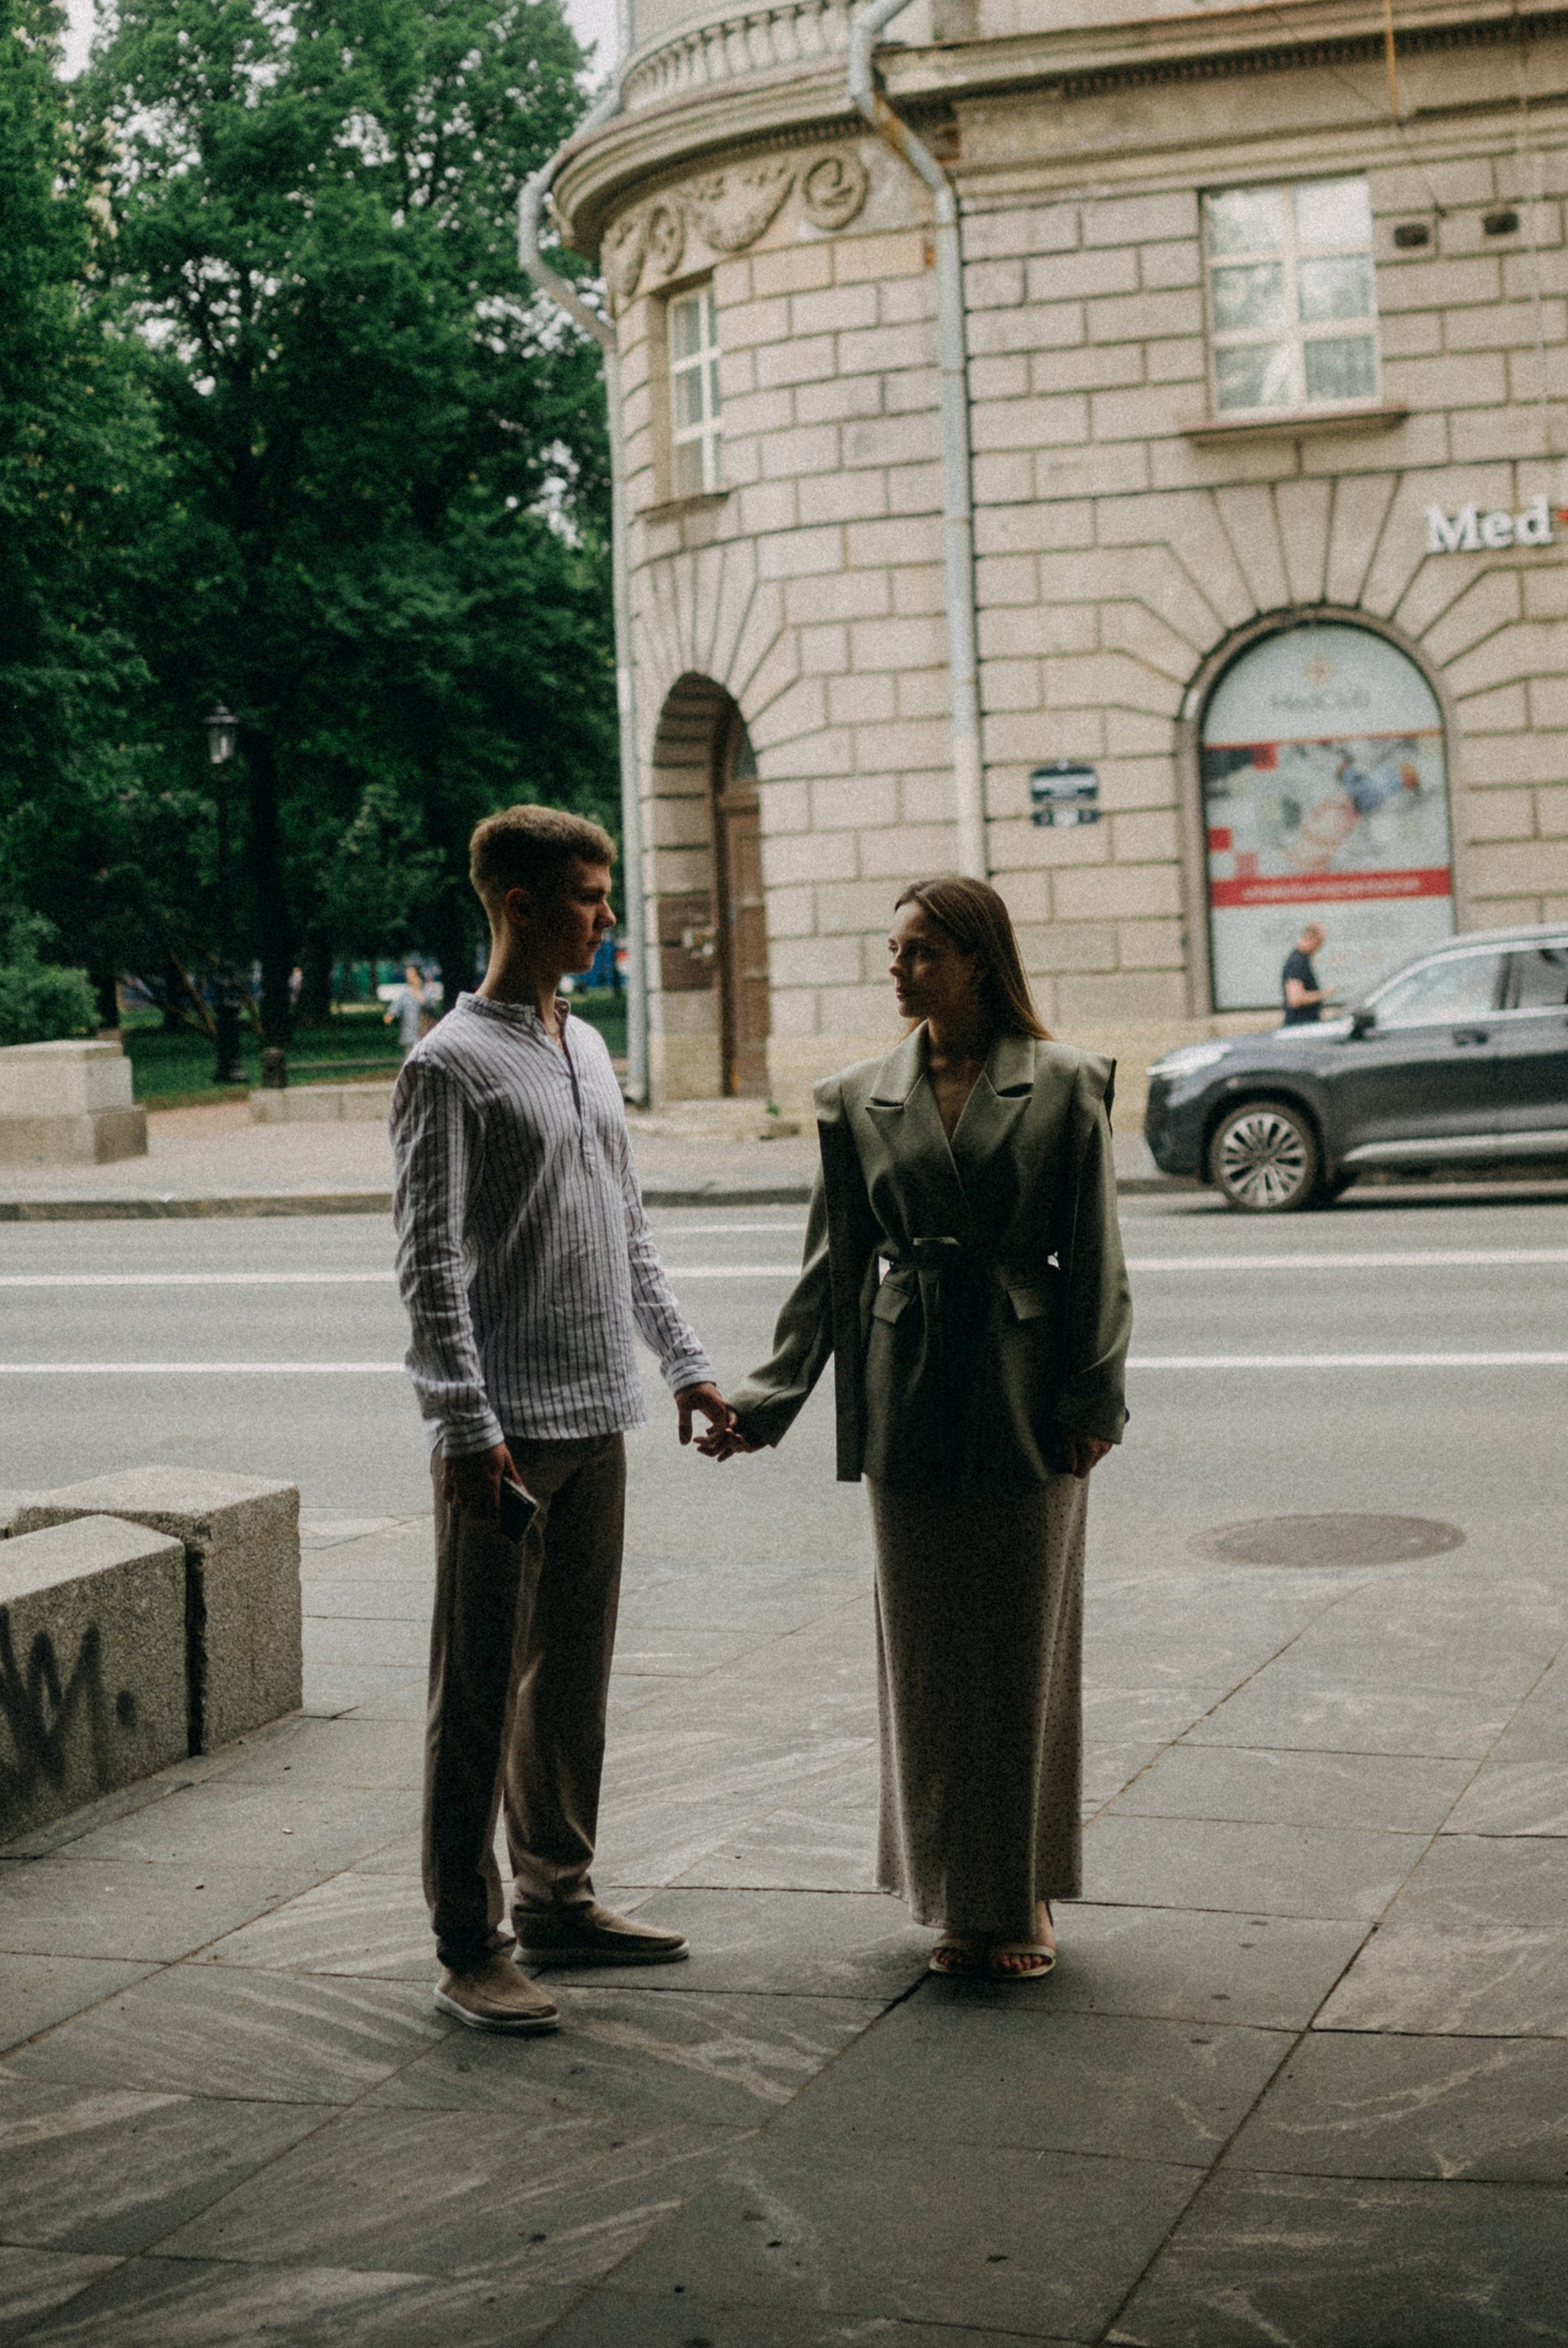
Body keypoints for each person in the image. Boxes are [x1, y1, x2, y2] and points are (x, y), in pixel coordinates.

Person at [702, 875, 1130, 1983]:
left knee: (1024, 1659)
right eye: (893, 951)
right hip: (907, 1390)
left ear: (979, 960)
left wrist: (1094, 1400)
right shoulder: (855, 1099)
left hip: (1028, 1389)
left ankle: (1022, 1892)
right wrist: (765, 1405)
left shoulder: (1069, 1083)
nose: (896, 970)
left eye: (920, 951)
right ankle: (952, 1896)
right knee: (933, 1663)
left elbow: (1097, 1259)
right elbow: (827, 1274)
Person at [392, 804, 737, 2034]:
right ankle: (465, 1940)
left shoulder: (586, 1047)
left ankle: (558, 1897)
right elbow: (429, 1270)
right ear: (523, 906)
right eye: (590, 897)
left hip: (601, 1411)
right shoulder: (449, 1063)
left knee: (569, 1684)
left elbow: (627, 1231)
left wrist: (688, 1367)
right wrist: (466, 1426)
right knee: (476, 1696)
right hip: (501, 1437)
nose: (608, 915)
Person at [1281, 924, 1328, 1024]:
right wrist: (1323, 995)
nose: (1319, 948)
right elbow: (1295, 999)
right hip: (1300, 1026)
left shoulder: (1302, 960)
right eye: (1319, 943)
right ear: (1312, 939)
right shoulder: (1297, 962)